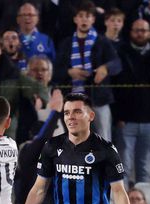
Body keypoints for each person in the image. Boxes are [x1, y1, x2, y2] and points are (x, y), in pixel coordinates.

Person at [54, 1, 121, 141]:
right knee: (75, 141)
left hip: (98, 100)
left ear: (93, 19)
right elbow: (56, 71)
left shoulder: (102, 42)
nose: (84, 19)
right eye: (81, 16)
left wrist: (105, 68)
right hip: (73, 100)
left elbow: (117, 64)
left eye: (88, 16)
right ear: (75, 19)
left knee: (103, 141)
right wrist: (69, 72)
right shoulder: (66, 44)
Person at [113, 19, 150, 184]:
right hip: (126, 123)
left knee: (144, 169)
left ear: (149, 33)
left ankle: (143, 201)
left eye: (143, 30)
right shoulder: (120, 54)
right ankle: (123, 202)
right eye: (136, 30)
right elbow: (113, 88)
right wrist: (118, 117)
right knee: (124, 168)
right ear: (130, 33)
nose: (140, 33)